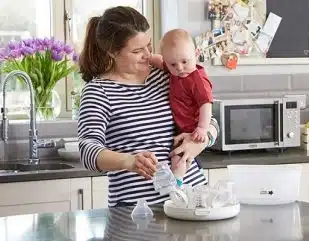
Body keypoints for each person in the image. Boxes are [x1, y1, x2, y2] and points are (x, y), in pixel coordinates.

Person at [77, 6, 219, 207]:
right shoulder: (99, 92)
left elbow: (210, 120)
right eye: (137, 51)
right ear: (112, 52)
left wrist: (201, 142)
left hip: (191, 200)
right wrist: (129, 161)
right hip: (137, 209)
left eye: (149, 46)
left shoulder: (167, 75)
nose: (147, 55)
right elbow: (87, 150)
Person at [150, 29, 213, 185]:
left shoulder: (197, 79)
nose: (179, 68)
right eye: (173, 64)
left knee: (177, 161)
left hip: (192, 129)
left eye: (185, 61)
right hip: (180, 127)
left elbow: (206, 104)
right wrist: (148, 57)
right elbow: (160, 62)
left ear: (196, 54)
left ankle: (177, 183)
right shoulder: (174, 70)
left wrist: (202, 129)